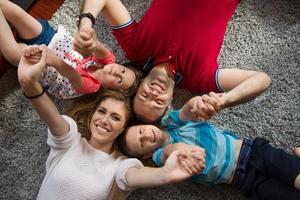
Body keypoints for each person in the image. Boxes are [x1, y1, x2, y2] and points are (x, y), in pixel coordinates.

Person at [17, 46, 206, 200]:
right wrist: (28, 81)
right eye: (102, 111)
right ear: (92, 115)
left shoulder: (121, 165)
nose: (105, 120)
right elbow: (51, 116)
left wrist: (166, 174)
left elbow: (136, 177)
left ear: (123, 128)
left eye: (116, 118)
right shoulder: (69, 141)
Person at [74, 0, 271, 122]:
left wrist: (85, 25)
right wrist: (224, 100)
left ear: (137, 86)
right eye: (158, 102)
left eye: (144, 96)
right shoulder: (199, 80)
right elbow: (262, 79)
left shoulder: (136, 49)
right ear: (169, 104)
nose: (154, 93)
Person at [118, 96, 300, 200]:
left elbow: (187, 110)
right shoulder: (160, 156)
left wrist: (196, 104)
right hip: (243, 181)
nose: (146, 135)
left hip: (252, 151)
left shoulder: (171, 123)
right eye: (142, 143)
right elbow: (170, 153)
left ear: (149, 124)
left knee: (293, 174)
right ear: (147, 154)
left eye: (141, 130)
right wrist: (182, 152)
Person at [0, 0, 140, 99]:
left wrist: (49, 57)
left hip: (43, 64)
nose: (116, 72)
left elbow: (69, 72)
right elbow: (99, 49)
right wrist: (91, 40)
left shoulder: (93, 86)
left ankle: (20, 47)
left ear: (110, 90)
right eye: (122, 70)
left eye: (119, 80)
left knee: (14, 54)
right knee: (16, 13)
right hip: (51, 39)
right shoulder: (109, 61)